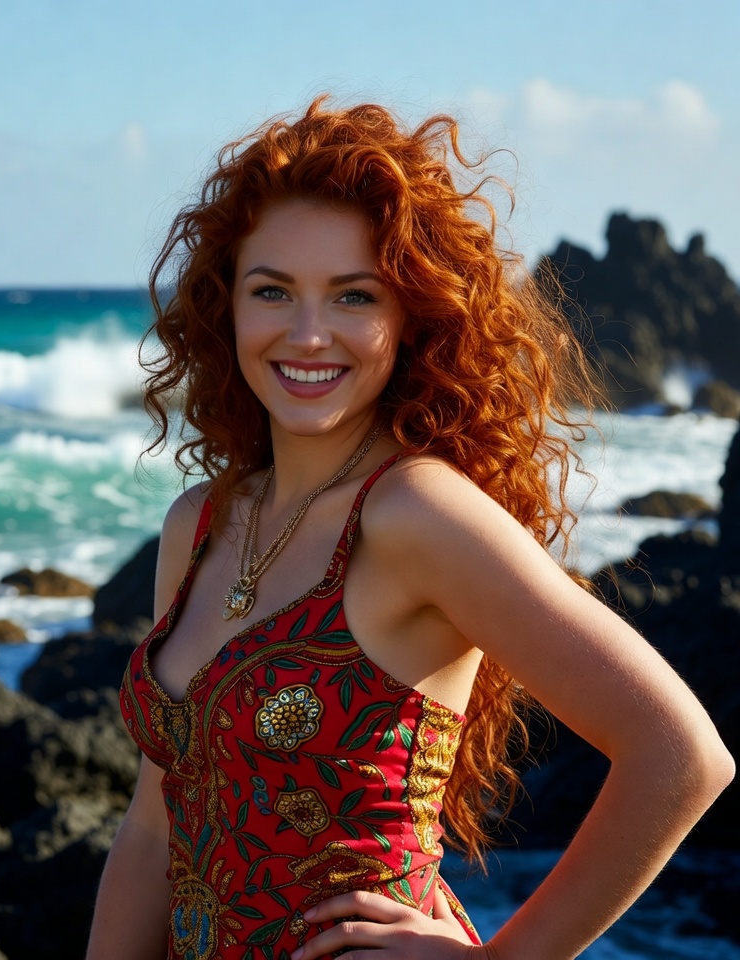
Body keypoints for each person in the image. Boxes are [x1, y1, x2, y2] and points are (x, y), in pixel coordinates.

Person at [85, 97, 734, 960]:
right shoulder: (200, 524)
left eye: (354, 296)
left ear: (409, 316)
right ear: (226, 306)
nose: (307, 333)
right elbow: (151, 830)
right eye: (272, 290)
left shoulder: (416, 513)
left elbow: (681, 754)